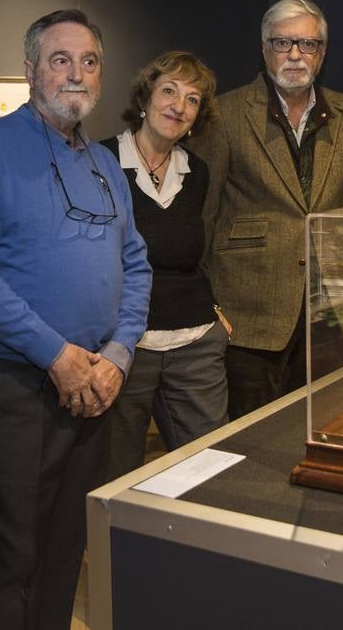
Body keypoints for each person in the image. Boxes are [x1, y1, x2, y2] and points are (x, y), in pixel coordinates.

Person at [0, 9, 152, 629]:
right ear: (30, 69)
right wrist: (56, 355)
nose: (76, 74)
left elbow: (136, 265)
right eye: (61, 60)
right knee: (15, 557)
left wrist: (117, 357)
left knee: (66, 549)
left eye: (89, 62)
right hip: (16, 383)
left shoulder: (106, 164)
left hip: (95, 384)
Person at [192, 0, 343, 419]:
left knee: (322, 424)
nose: (295, 55)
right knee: (250, 434)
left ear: (322, 52)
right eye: (283, 43)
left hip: (328, 311)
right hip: (249, 313)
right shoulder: (225, 113)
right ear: (264, 48)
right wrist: (209, 306)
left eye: (307, 44)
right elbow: (203, 216)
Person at [100, 51, 230, 479]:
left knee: (208, 471)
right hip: (124, 347)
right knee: (116, 474)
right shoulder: (99, 162)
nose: (179, 106)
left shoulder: (198, 172)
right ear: (145, 98)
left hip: (195, 345)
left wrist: (212, 307)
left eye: (192, 99)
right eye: (169, 91)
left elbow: (194, 251)